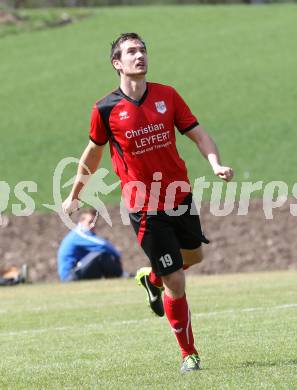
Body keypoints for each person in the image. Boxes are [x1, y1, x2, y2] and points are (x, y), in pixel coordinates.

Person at [62, 33, 233, 373]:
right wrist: (74, 194)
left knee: (193, 258)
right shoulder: (105, 108)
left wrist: (214, 163)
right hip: (144, 208)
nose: (139, 55)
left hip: (179, 197)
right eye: (131, 51)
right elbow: (91, 156)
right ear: (117, 63)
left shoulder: (167, 96)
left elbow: (198, 133)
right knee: (177, 281)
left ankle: (152, 279)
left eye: (142, 50)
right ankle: (190, 355)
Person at [58, 209, 123, 281]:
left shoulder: (81, 234)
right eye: (90, 222)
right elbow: (103, 245)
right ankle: (121, 276)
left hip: (75, 272)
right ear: (81, 222)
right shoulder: (78, 234)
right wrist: (117, 254)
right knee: (101, 255)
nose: (93, 225)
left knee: (103, 254)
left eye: (95, 222)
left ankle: (115, 278)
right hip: (70, 276)